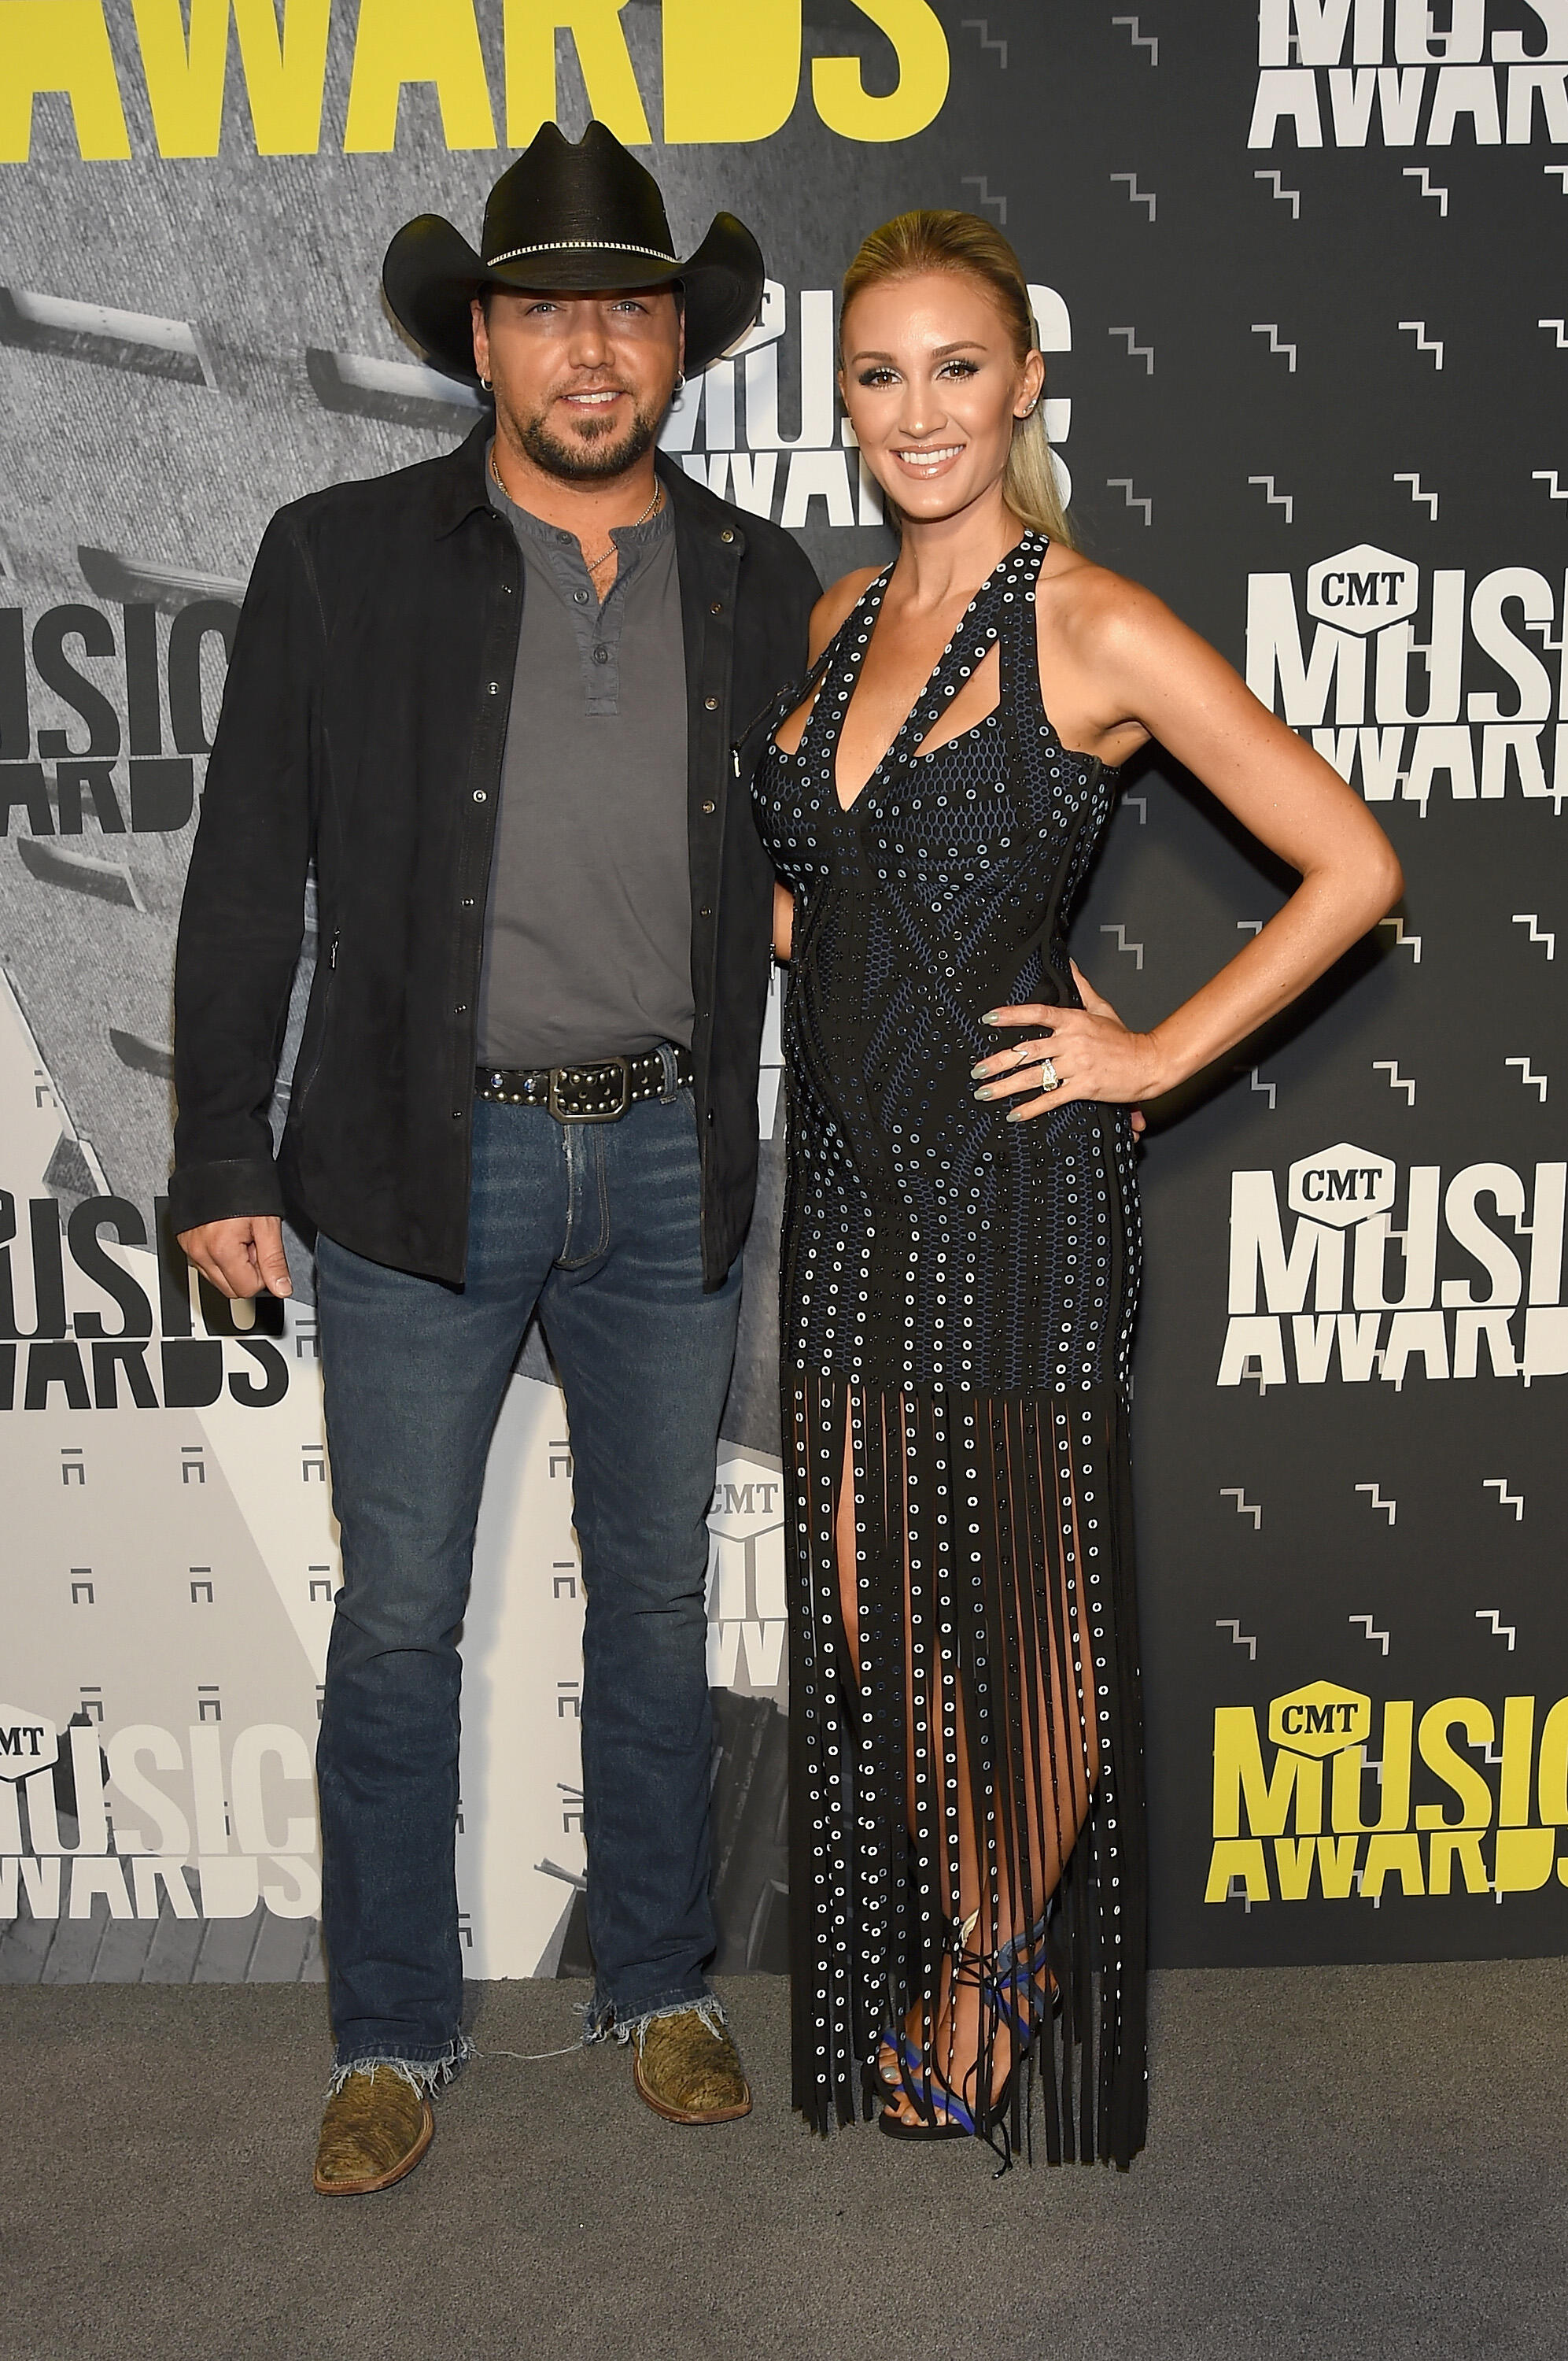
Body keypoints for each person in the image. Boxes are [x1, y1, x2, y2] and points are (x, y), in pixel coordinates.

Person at [170, 120, 818, 2196]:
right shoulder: (335, 555)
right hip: (404, 1175)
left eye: (626, 309)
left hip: (664, 1169)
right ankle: (388, 2030)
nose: (591, 349)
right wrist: (213, 1155)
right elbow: (246, 879)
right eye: (548, 312)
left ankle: (656, 1981)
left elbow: (811, 872)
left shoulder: (756, 576)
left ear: (675, 342)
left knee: (648, 1605)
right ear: (483, 336)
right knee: (402, 1620)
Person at [751, 211, 1402, 2167]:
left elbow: (1349, 863)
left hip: (1019, 1195)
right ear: (843, 397)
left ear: (1024, 381)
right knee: (875, 1605)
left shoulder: (1090, 624)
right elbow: (824, 895)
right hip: (863, 1193)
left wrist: (1142, 1054)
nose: (917, 410)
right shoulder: (835, 623)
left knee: (1011, 1615)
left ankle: (987, 1966)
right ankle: (983, 1923)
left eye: (957, 367)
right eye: (878, 374)